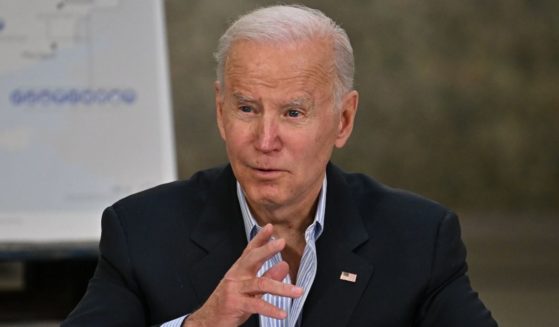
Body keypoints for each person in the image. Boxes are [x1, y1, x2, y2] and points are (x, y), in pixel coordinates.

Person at [63, 5, 497, 327]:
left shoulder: (419, 238)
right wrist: (200, 324)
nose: (265, 141)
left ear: (343, 120)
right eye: (247, 108)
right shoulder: (141, 231)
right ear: (219, 111)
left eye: (293, 113)